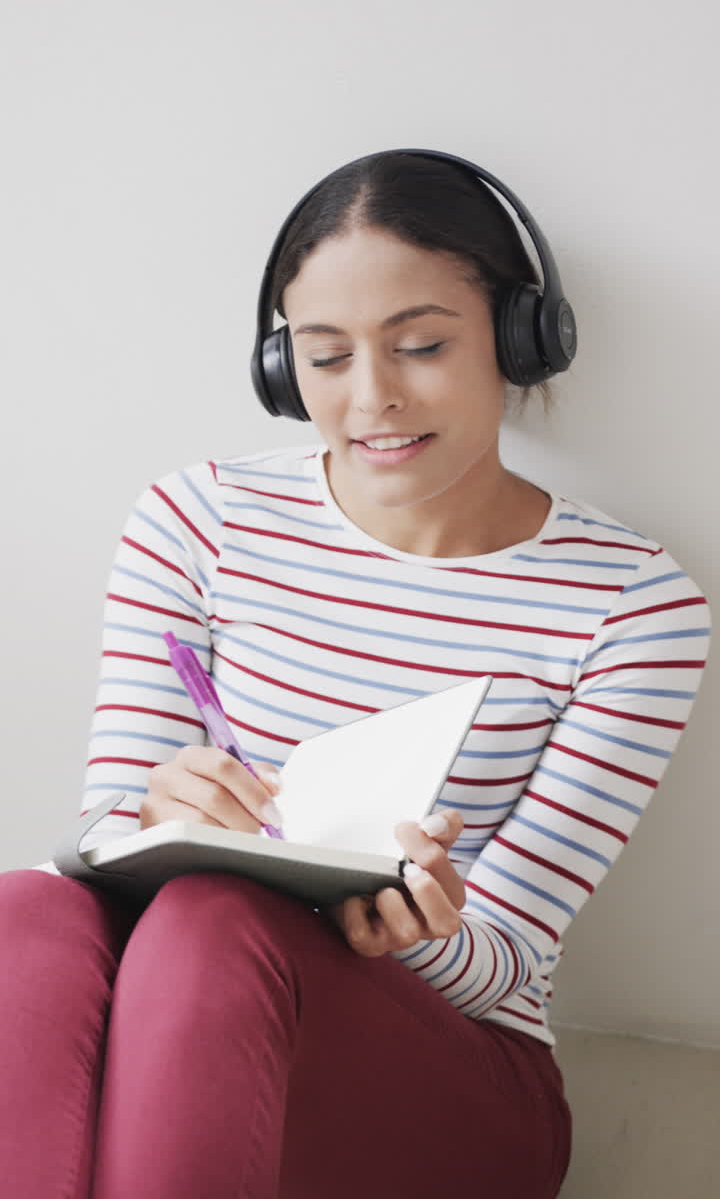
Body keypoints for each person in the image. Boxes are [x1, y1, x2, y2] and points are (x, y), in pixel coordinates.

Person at [0, 150, 710, 1199]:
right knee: (30, 908)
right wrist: (148, 814)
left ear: (523, 339)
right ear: (284, 369)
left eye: (420, 345)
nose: (372, 397)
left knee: (216, 919)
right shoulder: (198, 521)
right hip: (192, 1025)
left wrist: (425, 923)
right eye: (325, 358)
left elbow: (509, 955)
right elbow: (98, 835)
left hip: (455, 1071)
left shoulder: (636, 607)